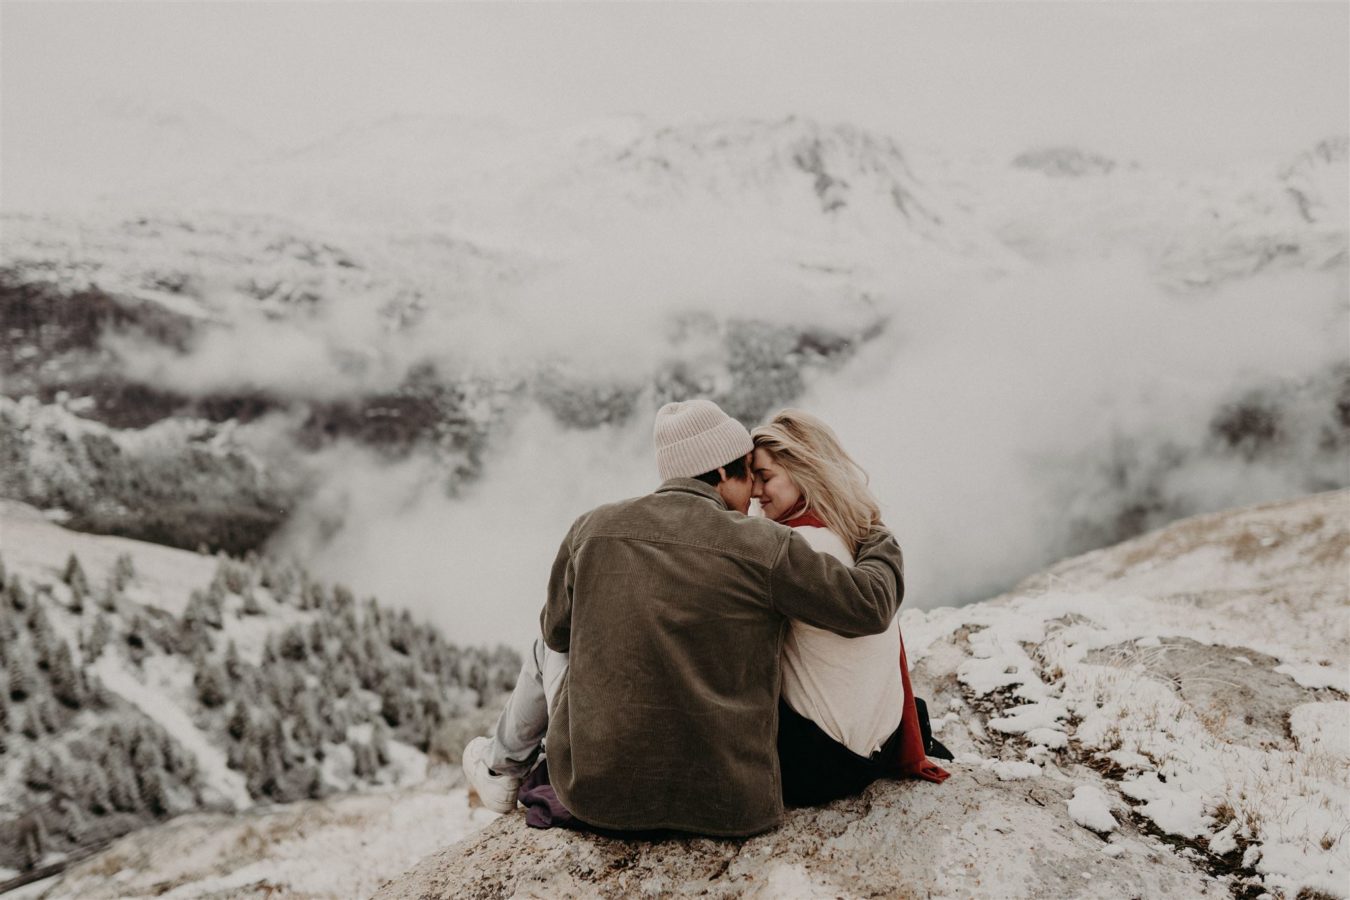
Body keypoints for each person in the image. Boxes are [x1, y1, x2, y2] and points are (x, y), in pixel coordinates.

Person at [462, 398, 905, 837]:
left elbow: (558, 632)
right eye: (749, 473)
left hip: (598, 796)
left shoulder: (590, 528)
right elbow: (868, 605)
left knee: (547, 649)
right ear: (721, 474)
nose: (753, 491)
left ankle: (500, 771)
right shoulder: (765, 545)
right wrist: (874, 532)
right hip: (733, 805)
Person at [750, 409, 950, 807]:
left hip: (823, 764)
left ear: (804, 471)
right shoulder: (849, 537)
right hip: (880, 745)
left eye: (765, 476)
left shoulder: (797, 548)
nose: (755, 491)